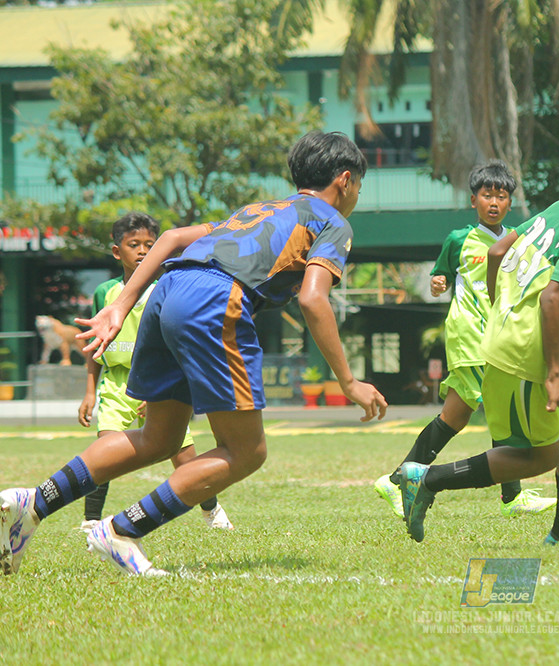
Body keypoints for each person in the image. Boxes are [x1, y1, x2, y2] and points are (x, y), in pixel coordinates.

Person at [0, 131, 387, 577]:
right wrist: (349, 381)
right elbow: (314, 300)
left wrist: (119, 305)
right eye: (359, 185)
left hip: (168, 292)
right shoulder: (333, 222)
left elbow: (171, 239)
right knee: (246, 450)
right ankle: (121, 531)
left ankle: (33, 503)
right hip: (215, 301)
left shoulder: (258, 209)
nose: (357, 194)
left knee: (159, 438)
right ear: (344, 180)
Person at [395, 129, 559, 545]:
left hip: (516, 335)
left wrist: (500, 306)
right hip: (529, 346)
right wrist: (554, 375)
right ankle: (427, 479)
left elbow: (498, 252)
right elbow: (553, 298)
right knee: (537, 456)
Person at [373, 161, 555, 519]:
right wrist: (437, 283)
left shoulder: (515, 239)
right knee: (500, 408)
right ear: (474, 200)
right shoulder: (459, 239)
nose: (493, 202)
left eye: (501, 196)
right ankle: (512, 497)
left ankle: (397, 480)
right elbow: (440, 277)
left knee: (454, 416)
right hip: (470, 335)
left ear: (509, 203)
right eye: (487, 195)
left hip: (498, 334)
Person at [77, 212, 233, 532]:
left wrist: (160, 388)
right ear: (117, 251)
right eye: (133, 244)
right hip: (117, 385)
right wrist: (90, 391)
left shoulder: (167, 287)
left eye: (150, 244)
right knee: (105, 452)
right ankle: (91, 520)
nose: (143, 250)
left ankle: (213, 512)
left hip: (159, 381)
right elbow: (94, 344)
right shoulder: (104, 293)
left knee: (185, 458)